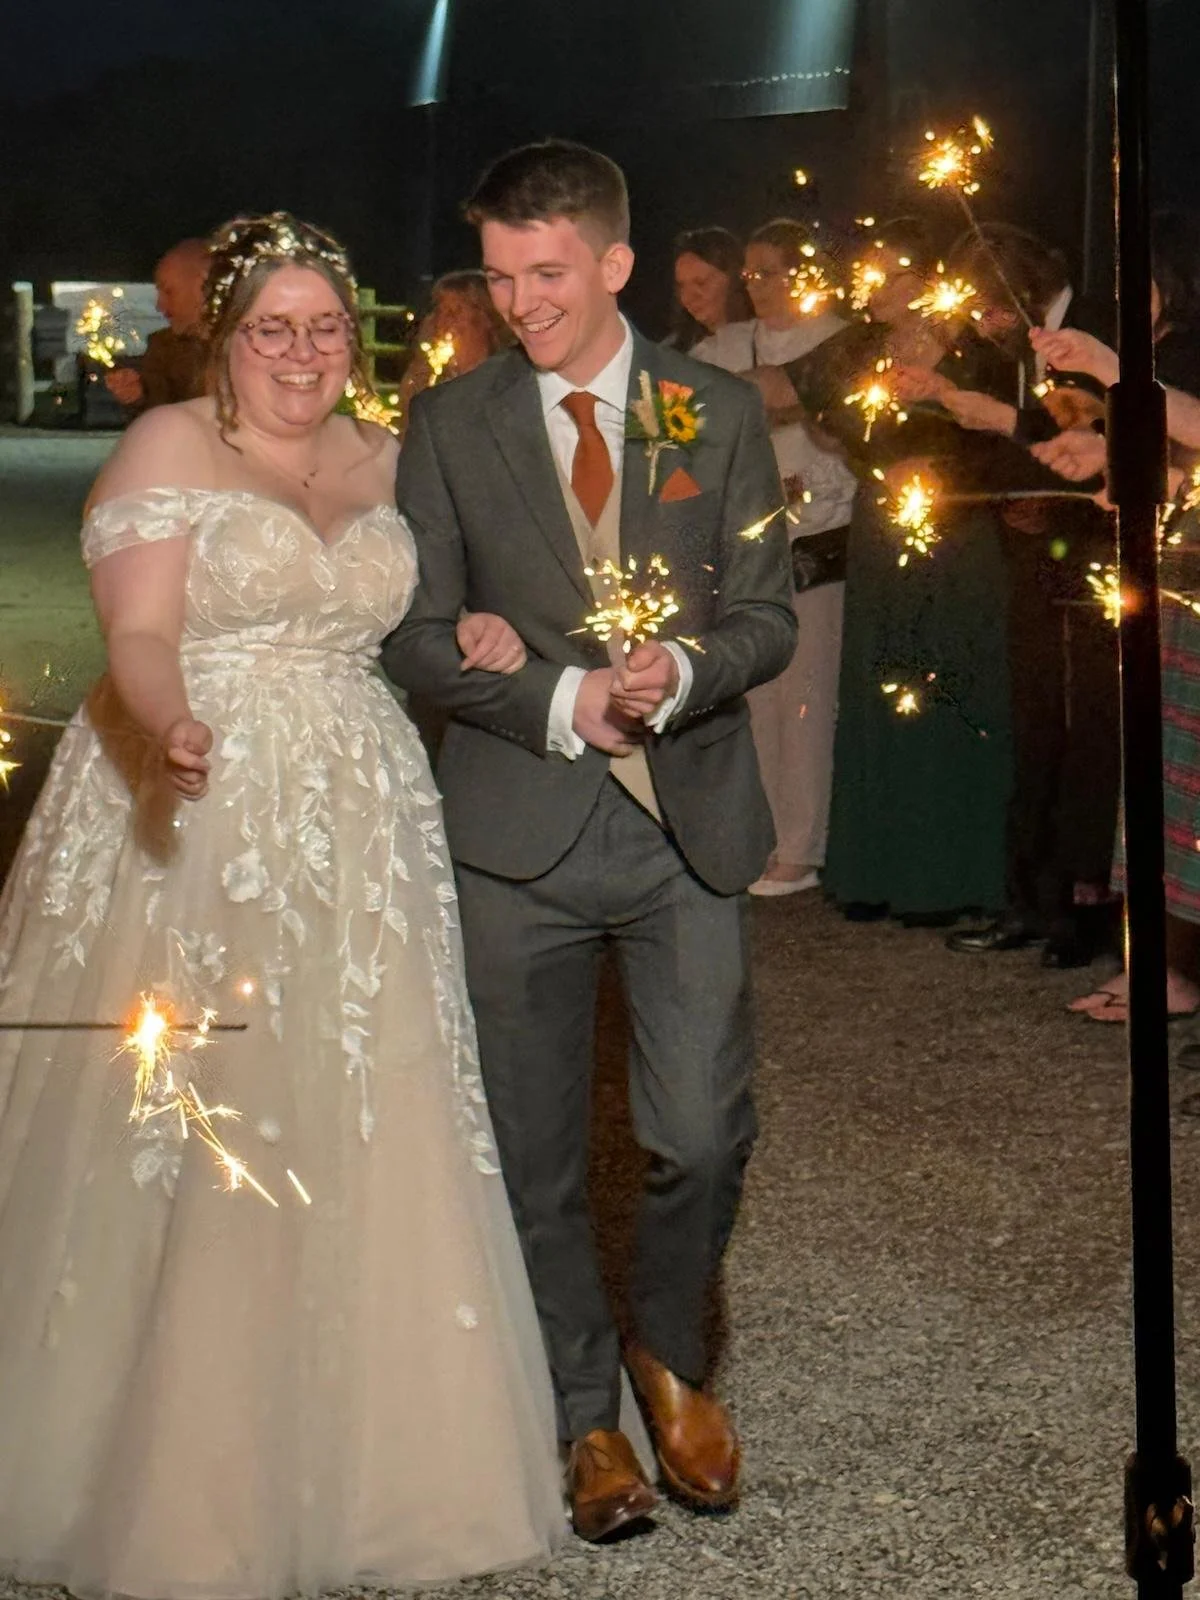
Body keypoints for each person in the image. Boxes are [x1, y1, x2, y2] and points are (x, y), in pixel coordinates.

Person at [0, 212, 566, 1598]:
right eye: (274, 328)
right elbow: (137, 630)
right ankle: (169, 1478)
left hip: (363, 818)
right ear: (228, 337)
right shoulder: (171, 449)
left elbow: (437, 620)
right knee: (199, 1115)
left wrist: (484, 631)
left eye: (325, 328)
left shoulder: (396, 455)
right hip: (197, 805)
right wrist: (171, 720)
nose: (302, 353)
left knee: (366, 1103)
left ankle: (380, 1464)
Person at [382, 139, 795, 1542]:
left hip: (689, 830)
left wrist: (680, 676)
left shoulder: (715, 410)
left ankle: (669, 1352)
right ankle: (582, 1417)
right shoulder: (449, 423)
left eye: (546, 274)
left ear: (616, 263)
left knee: (696, 1132)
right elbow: (413, 633)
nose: (520, 304)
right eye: (500, 278)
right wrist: (550, 692)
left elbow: (768, 612)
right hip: (517, 829)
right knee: (535, 1149)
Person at [689, 217, 856, 894]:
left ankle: (802, 843)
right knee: (752, 695)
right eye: (751, 274)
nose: (759, 286)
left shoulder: (836, 343)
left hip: (816, 535)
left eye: (773, 272)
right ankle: (757, 836)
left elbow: (839, 433)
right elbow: (681, 423)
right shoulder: (721, 346)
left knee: (806, 695)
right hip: (741, 539)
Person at [394, 267, 514, 437]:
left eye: (455, 312)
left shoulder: (507, 375)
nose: (445, 321)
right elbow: (407, 421)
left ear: (486, 317)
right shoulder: (432, 375)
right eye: (441, 311)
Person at [105, 237, 211, 411]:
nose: (160, 306)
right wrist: (137, 395)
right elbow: (155, 406)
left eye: (169, 292)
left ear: (204, 286)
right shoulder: (164, 348)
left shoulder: (257, 346)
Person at [666, 227, 753, 352]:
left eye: (701, 283)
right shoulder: (675, 354)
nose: (688, 298)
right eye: (681, 286)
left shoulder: (771, 340)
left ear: (735, 277)